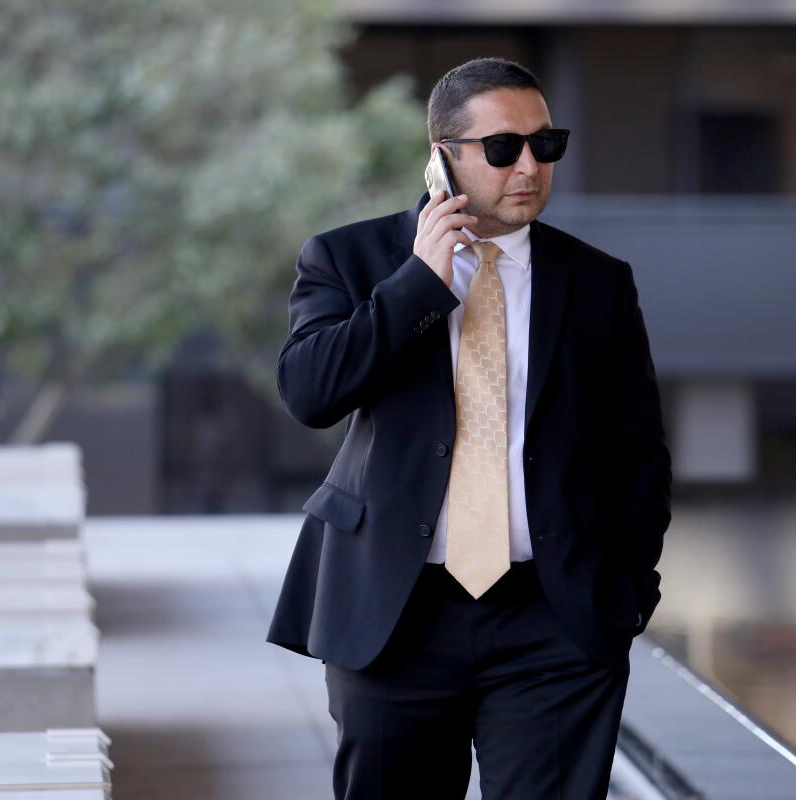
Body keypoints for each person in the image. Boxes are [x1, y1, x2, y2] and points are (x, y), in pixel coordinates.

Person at [266, 56, 671, 799]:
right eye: (503, 148)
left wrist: (628, 593)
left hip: (553, 622)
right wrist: (419, 283)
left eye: (546, 146)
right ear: (442, 158)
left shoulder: (597, 283)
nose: (530, 167)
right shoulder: (350, 259)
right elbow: (310, 392)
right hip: (394, 613)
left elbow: (638, 454)